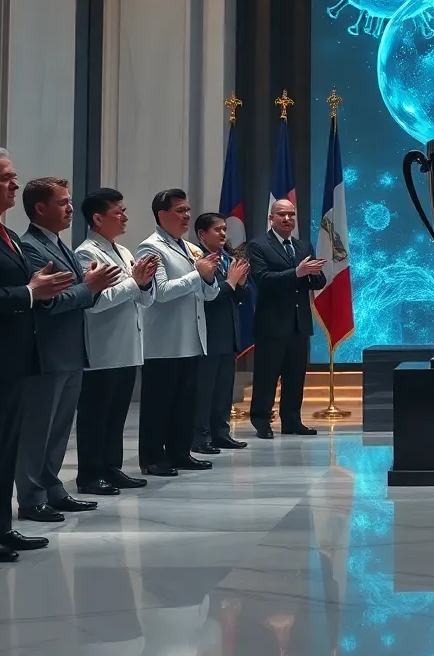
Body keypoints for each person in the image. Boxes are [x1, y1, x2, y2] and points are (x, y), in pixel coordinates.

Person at [0, 148, 73, 562]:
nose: (14, 184)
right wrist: (30, 292)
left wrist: (33, 284)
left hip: (11, 360)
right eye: (6, 177)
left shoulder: (0, 232)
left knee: (4, 449)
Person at [14, 178, 122, 523]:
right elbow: (47, 303)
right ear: (40, 208)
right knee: (38, 430)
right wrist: (88, 287)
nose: (70, 208)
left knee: (60, 428)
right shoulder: (30, 247)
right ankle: (31, 497)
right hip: (47, 352)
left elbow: (78, 293)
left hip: (72, 350)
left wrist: (90, 286)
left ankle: (52, 486)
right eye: (62, 203)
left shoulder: (60, 245)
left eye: (70, 202)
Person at [75, 188, 159, 495]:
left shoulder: (124, 252)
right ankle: (90, 474)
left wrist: (146, 284)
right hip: (103, 347)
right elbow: (95, 302)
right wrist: (134, 283)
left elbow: (144, 300)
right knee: (96, 415)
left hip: (128, 345)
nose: (124, 217)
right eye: (118, 212)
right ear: (98, 218)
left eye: (124, 211)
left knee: (116, 415)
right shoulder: (86, 253)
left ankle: (111, 467)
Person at [137, 189, 220, 476]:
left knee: (184, 403)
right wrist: (198, 274)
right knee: (159, 404)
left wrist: (208, 279)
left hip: (191, 337)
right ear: (162, 214)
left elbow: (208, 295)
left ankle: (179, 452)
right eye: (180, 210)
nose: (187, 215)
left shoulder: (189, 247)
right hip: (164, 340)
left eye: (188, 210)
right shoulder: (151, 248)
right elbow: (161, 292)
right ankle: (152, 457)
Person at [248, 199, 326, 438]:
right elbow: (263, 279)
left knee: (295, 376)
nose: (287, 219)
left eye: (291, 214)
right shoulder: (259, 245)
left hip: (298, 322)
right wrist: (297, 273)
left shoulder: (303, 246)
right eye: (282, 214)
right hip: (271, 323)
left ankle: (292, 421)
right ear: (271, 218)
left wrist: (315, 274)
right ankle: (261, 421)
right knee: (267, 375)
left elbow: (317, 282)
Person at [192, 213, 251, 454]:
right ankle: (200, 436)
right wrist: (231, 283)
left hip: (229, 332)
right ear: (202, 234)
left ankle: (221, 432)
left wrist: (241, 282)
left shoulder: (228, 258)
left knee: (223, 388)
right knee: (204, 389)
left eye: (225, 229)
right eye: (217, 230)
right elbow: (209, 298)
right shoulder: (197, 259)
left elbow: (243, 297)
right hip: (208, 331)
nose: (223, 234)